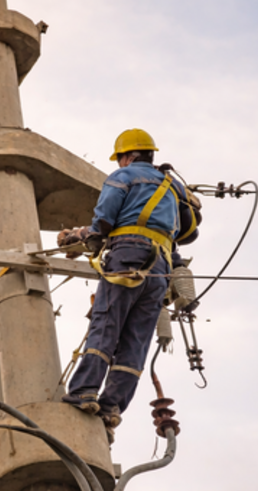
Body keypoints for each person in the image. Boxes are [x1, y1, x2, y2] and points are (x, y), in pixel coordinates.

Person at [57, 128, 201, 435]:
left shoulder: (123, 177)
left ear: (128, 155)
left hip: (129, 254)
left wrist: (89, 237)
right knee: (136, 339)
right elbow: (189, 230)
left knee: (107, 323)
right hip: (161, 264)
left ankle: (83, 392)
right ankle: (112, 406)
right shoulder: (173, 186)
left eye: (121, 158)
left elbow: (106, 216)